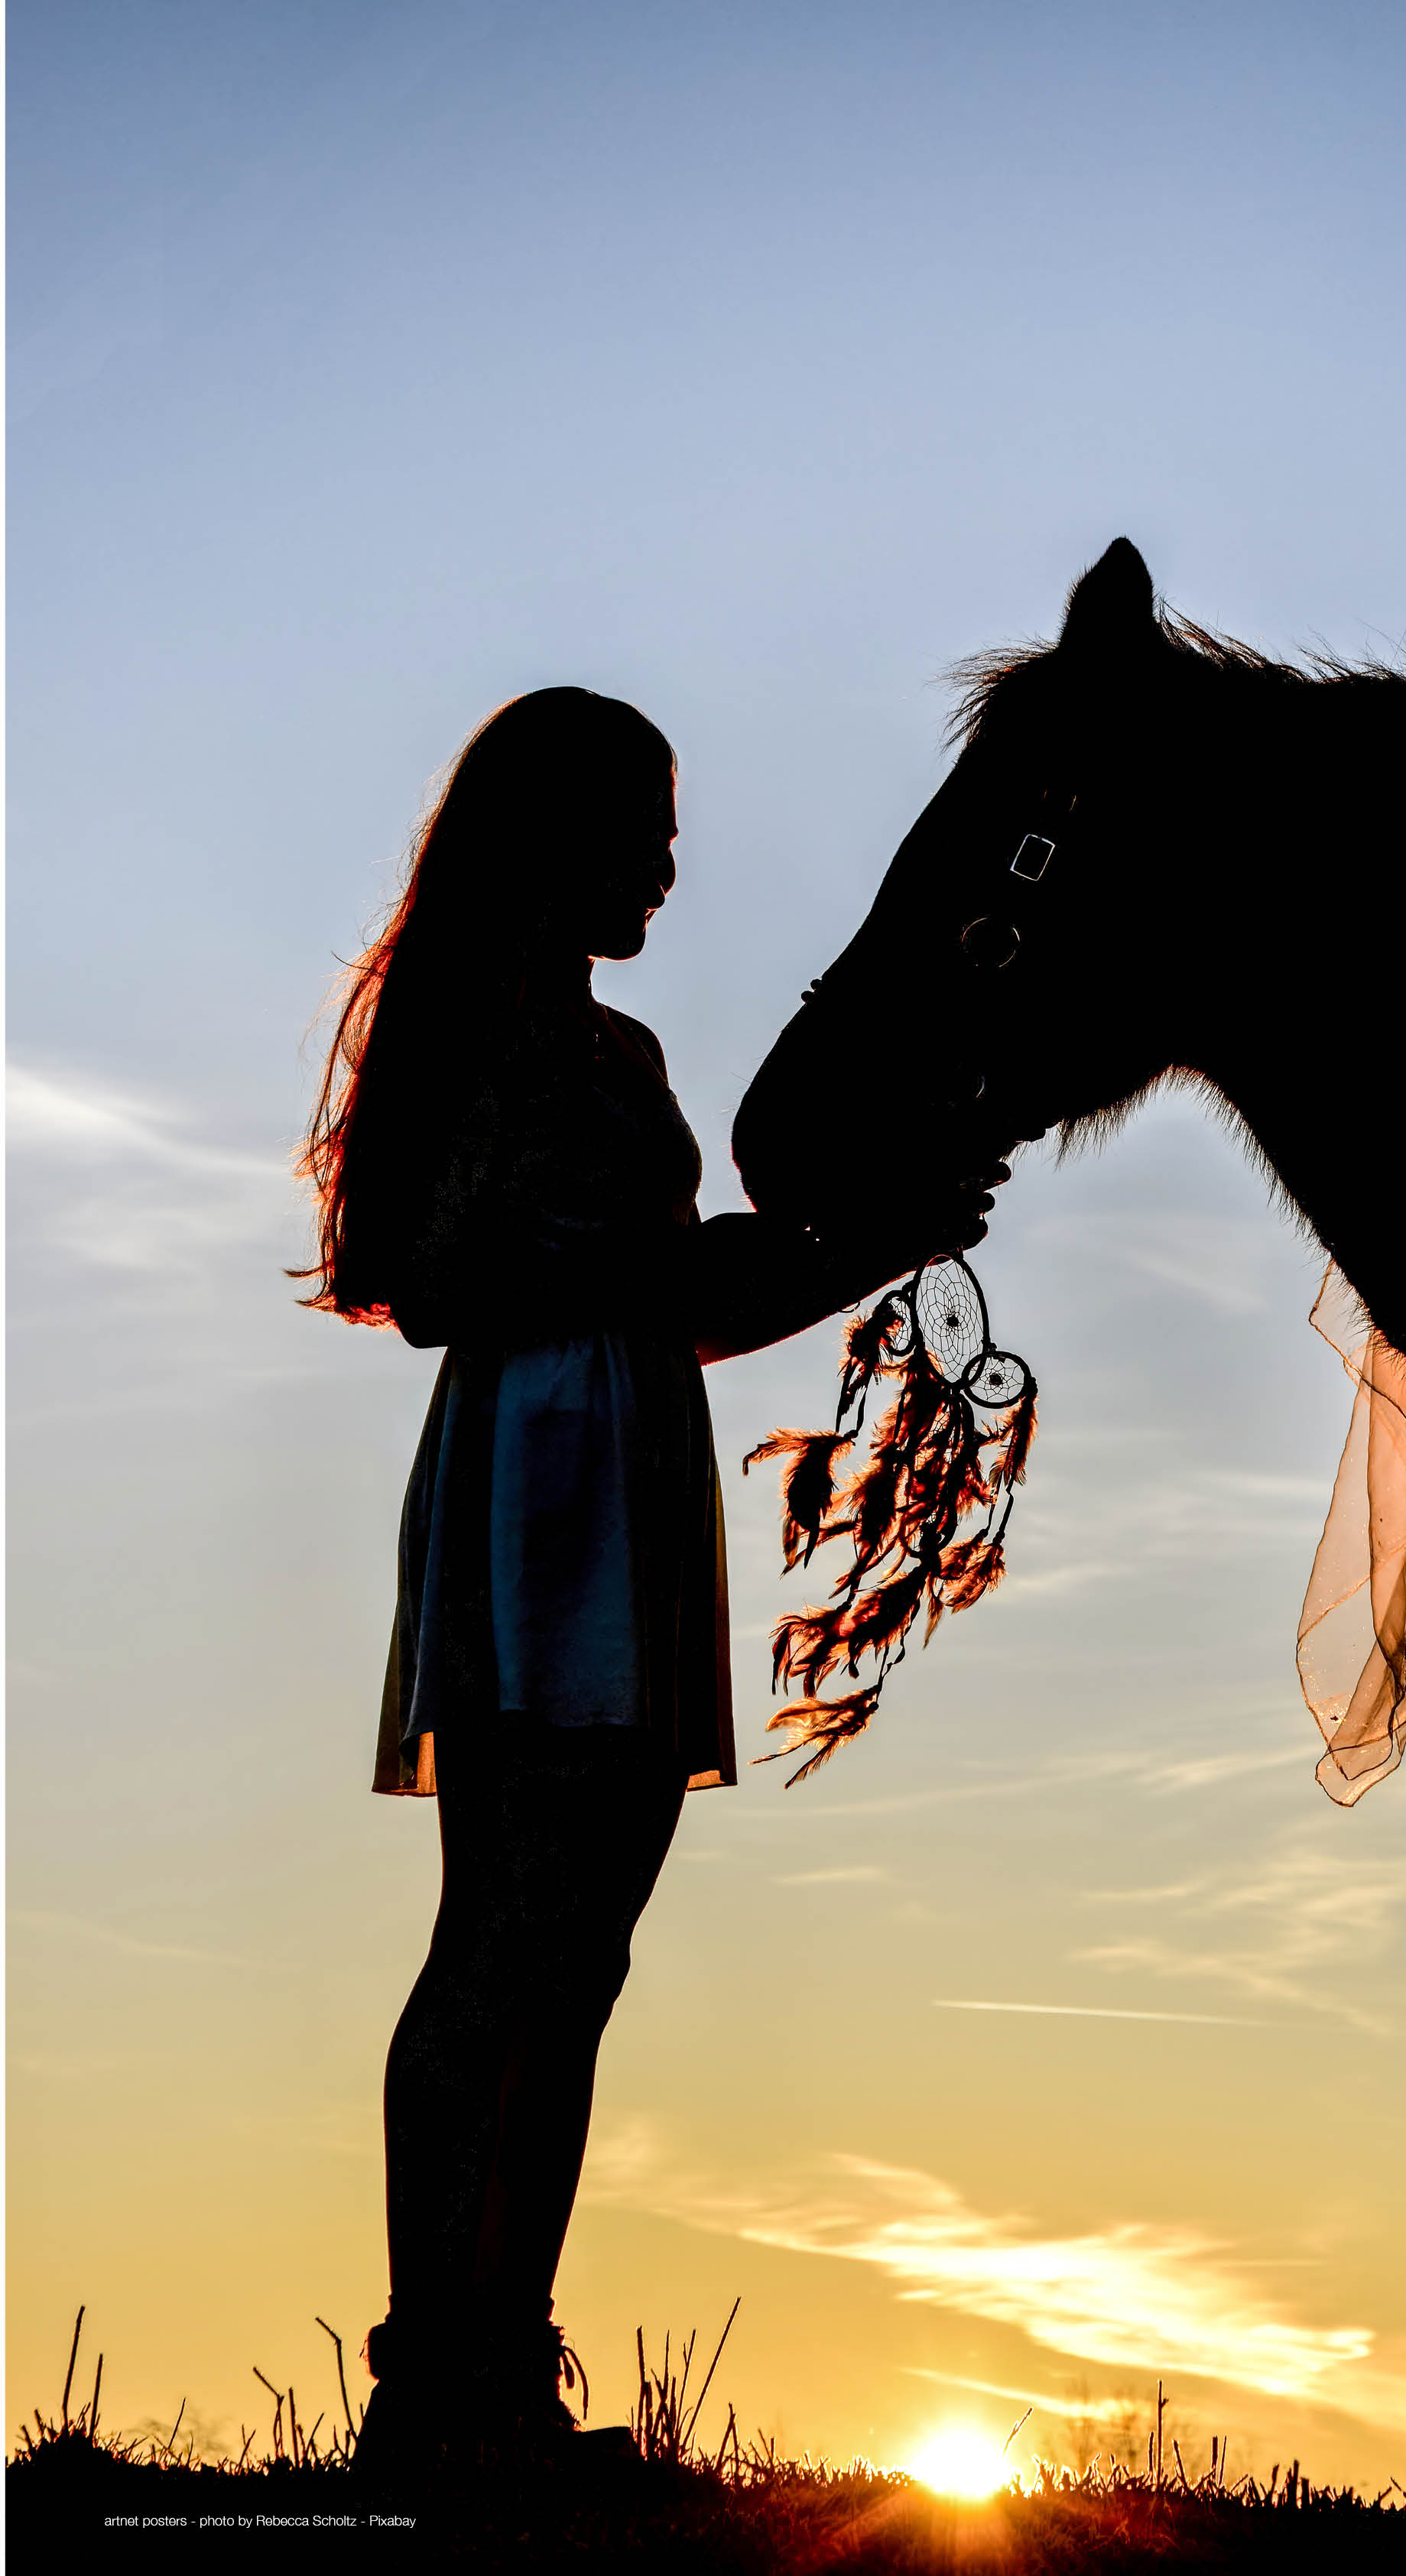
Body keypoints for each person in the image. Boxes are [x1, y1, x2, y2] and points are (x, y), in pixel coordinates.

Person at [295, 687, 1002, 2474]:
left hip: (625, 1460)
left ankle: (504, 2361)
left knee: (584, 1953)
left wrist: (885, 1228)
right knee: (500, 1933)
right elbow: (419, 1272)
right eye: (645, 830)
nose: (673, 868)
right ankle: (426, 2377)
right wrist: (616, 1257)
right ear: (555, 836)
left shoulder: (626, 1062)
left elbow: (688, 1304)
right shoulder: (472, 1032)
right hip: (534, 1471)